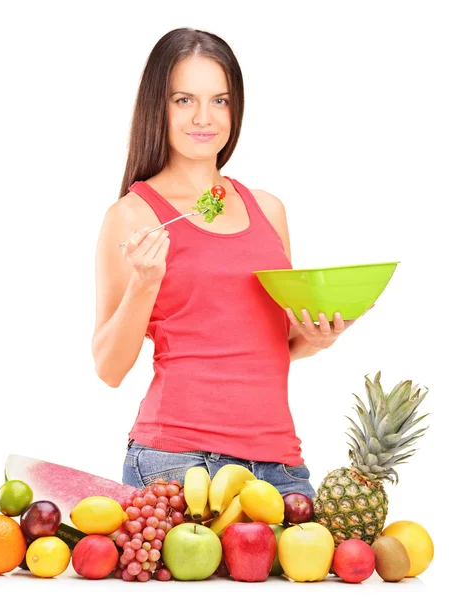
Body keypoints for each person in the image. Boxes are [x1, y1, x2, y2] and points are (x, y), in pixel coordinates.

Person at [92, 28, 366, 499]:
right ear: (157, 106)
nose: (204, 117)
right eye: (184, 99)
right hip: (175, 463)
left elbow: (263, 343)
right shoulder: (133, 218)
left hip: (280, 465)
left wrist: (312, 340)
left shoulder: (269, 209)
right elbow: (109, 368)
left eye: (219, 100)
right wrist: (143, 282)